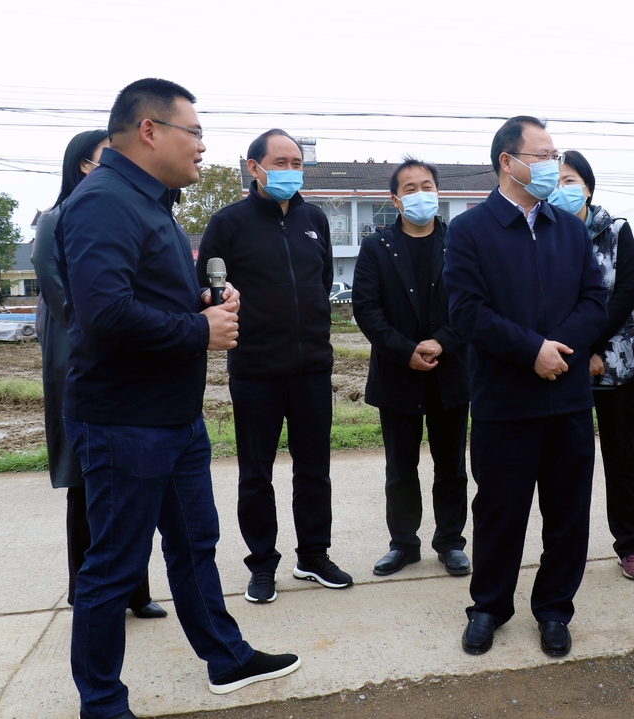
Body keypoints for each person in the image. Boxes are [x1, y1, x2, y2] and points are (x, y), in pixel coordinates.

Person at [55, 78, 299, 719]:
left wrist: (202, 301)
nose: (202, 146)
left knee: (194, 544)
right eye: (194, 132)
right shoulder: (103, 201)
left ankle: (227, 657)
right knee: (114, 566)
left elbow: (147, 294)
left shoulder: (151, 202)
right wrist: (199, 329)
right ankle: (101, 703)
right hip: (124, 421)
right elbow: (104, 313)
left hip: (173, 415)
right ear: (149, 130)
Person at [444, 116, 607, 658]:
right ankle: (489, 606)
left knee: (568, 513)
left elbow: (595, 301)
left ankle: (555, 609)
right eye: (541, 155)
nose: (552, 166)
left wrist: (557, 350)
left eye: (554, 156)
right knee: (499, 511)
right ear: (507, 162)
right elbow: (467, 311)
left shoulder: (571, 229)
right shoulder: (470, 230)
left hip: (567, 400)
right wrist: (530, 350)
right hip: (504, 400)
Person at [197, 129, 349, 603]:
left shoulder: (314, 219)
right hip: (255, 370)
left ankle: (313, 555)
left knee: (314, 470)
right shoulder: (228, 222)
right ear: (254, 167)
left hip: (312, 369)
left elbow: (322, 280)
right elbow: (207, 288)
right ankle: (262, 564)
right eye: (280, 163)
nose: (290, 171)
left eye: (297, 163)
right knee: (255, 475)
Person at [33, 129, 166, 620]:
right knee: (87, 484)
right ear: (83, 167)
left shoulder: (126, 214)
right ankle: (85, 590)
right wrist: (111, 337)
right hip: (79, 365)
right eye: (106, 156)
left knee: (133, 482)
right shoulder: (56, 220)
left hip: (123, 362)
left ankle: (136, 591)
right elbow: (66, 303)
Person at [352, 157, 471, 578]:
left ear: (438, 192)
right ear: (395, 200)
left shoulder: (459, 242)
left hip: (450, 371)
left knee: (451, 466)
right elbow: (366, 309)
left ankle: (451, 542)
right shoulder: (376, 246)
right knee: (400, 468)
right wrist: (406, 351)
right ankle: (403, 544)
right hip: (397, 373)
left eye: (427, 186)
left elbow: (473, 303)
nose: (420, 194)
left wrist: (442, 342)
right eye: (410, 188)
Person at [547, 150, 634, 579]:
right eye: (555, 181)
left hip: (614, 361)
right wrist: (578, 352)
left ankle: (629, 543)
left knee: (620, 454)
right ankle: (567, 549)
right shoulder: (544, 232)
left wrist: (590, 346)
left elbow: (624, 294)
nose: (562, 188)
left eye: (570, 180)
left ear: (587, 187)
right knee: (567, 461)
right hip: (562, 361)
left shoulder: (617, 231)